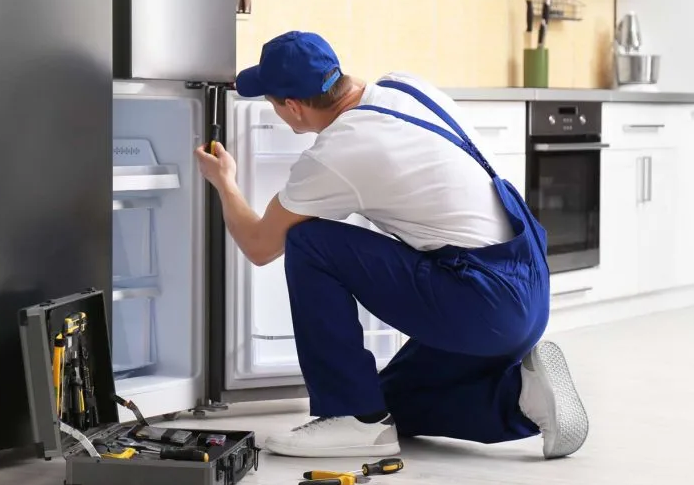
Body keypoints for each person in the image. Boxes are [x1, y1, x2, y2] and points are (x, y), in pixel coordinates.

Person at [195, 31, 589, 460]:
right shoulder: (405, 86)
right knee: (390, 403)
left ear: (293, 106)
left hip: (482, 301)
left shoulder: (337, 152)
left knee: (309, 241)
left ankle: (351, 417)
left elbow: (259, 245)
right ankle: (522, 398)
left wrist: (225, 182)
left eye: (274, 102)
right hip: (526, 284)